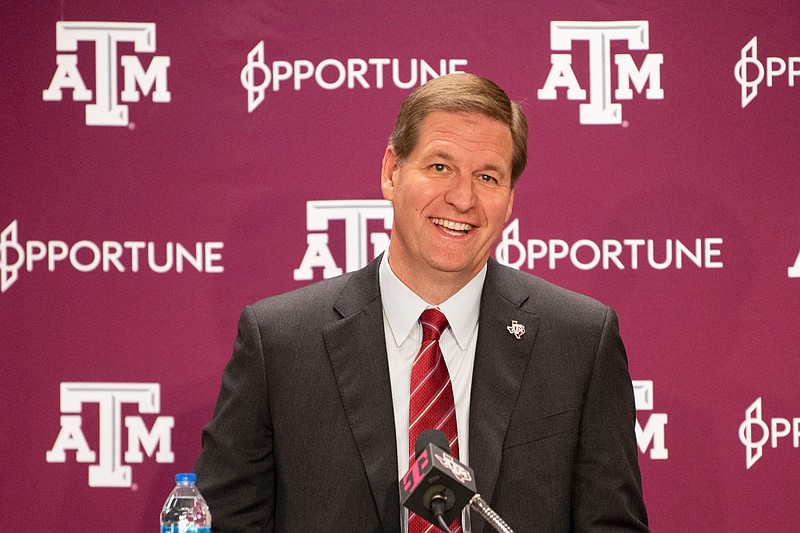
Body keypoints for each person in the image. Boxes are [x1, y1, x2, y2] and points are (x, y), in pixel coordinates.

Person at [194, 73, 649, 532]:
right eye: (439, 167)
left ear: (510, 199)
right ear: (392, 172)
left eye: (487, 177)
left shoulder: (578, 341)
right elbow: (223, 524)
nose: (462, 198)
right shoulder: (280, 343)